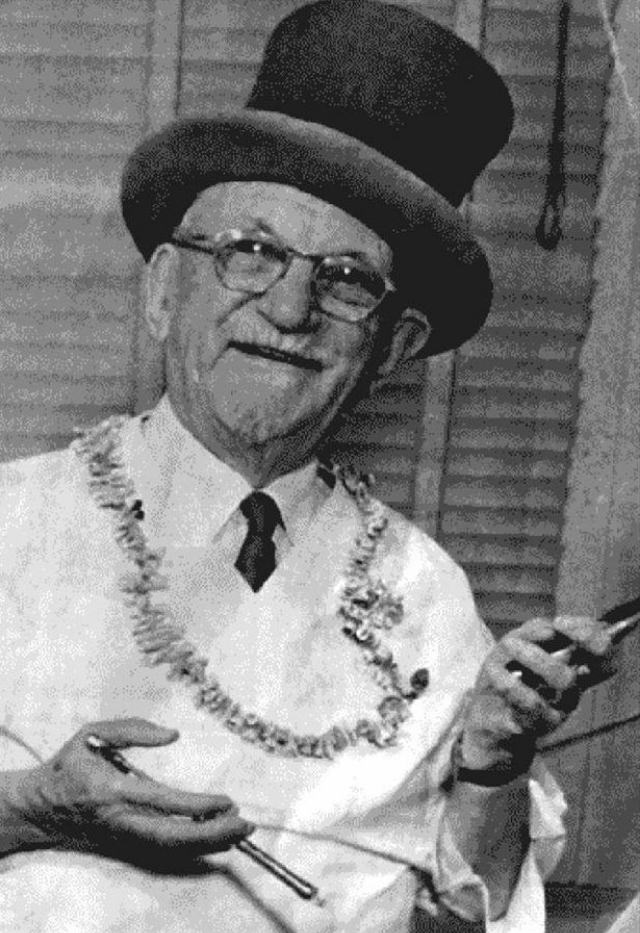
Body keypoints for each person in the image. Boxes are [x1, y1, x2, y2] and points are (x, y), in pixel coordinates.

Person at [0, 2, 616, 931]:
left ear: (394, 346)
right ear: (166, 287)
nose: (289, 309)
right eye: (251, 251)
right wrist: (31, 807)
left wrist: (493, 764)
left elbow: (472, 910)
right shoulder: (13, 520)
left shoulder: (427, 592)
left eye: (346, 278)